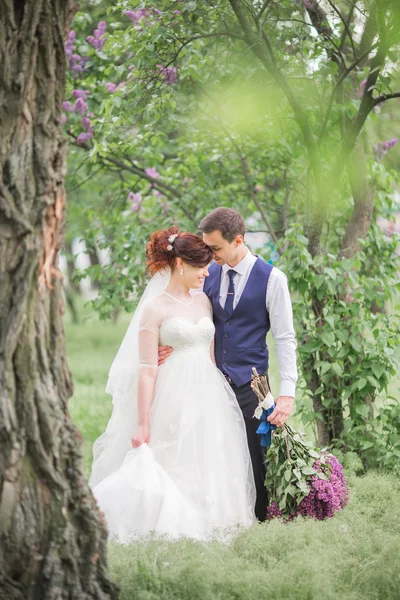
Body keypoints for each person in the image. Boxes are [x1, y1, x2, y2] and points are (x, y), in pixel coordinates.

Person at [89, 227, 256, 543]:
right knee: (171, 459)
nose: (207, 273)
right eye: (201, 266)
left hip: (208, 394)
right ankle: (172, 531)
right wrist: (142, 423)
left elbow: (208, 356)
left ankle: (217, 529)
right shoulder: (155, 308)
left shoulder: (204, 302)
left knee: (212, 460)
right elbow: (147, 370)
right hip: (171, 393)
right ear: (180, 264)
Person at [159, 208, 298, 521]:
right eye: (207, 248)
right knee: (208, 455)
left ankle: (262, 523)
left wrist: (287, 394)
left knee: (256, 459)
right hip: (207, 382)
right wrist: (164, 346)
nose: (210, 255)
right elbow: (184, 314)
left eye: (216, 248)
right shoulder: (207, 275)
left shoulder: (272, 280)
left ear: (238, 240)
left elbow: (285, 339)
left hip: (252, 386)